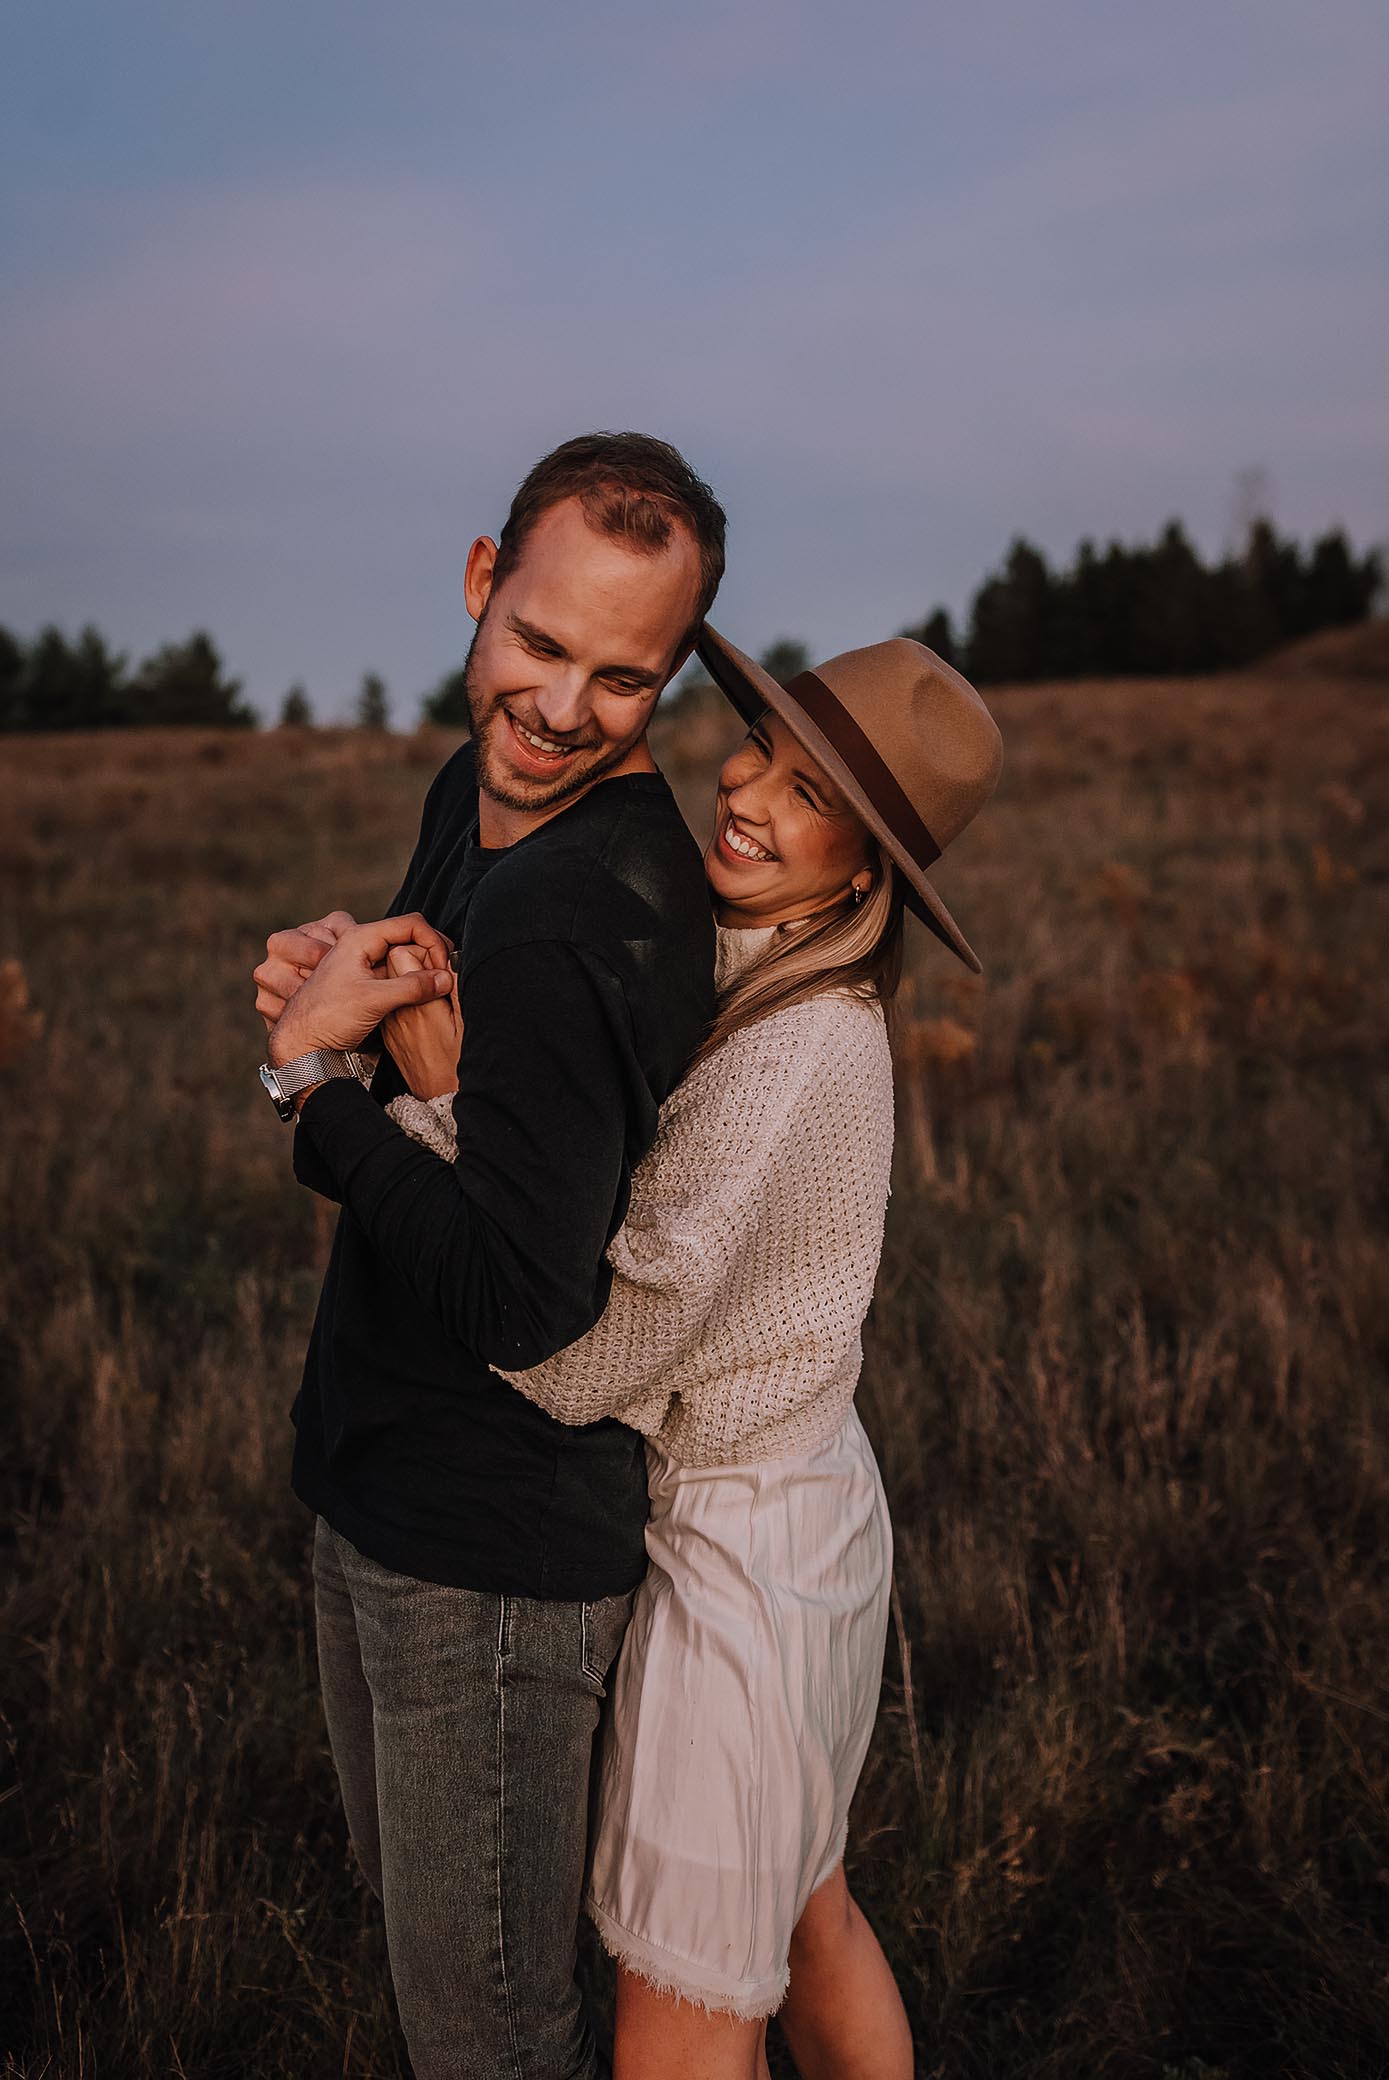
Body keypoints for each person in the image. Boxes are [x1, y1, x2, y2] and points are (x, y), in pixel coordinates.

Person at [373, 626, 1004, 2079]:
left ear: (862, 874)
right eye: (762, 751)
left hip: (745, 1572)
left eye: (811, 800)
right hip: (809, 1505)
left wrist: (444, 1106)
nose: (749, 796)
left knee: (684, 2009)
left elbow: (595, 1347)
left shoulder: (797, 1047)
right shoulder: (762, 962)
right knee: (805, 1913)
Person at [251, 432, 728, 2080]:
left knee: (491, 2041)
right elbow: (450, 1068)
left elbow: (532, 1299)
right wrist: (356, 988)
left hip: (492, 1554)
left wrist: (310, 1092)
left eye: (622, 677)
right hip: (375, 1466)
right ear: (479, 583)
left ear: (666, 678)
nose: (558, 707)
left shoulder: (594, 907)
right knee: (432, 1983)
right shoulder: (476, 795)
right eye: (537, 642)